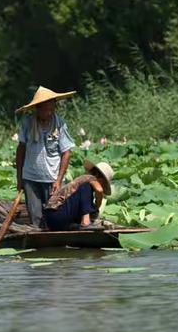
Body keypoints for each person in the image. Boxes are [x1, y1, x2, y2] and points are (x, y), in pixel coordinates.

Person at [15, 86, 76, 227]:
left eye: (52, 109)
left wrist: (59, 180)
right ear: (37, 109)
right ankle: (39, 243)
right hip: (30, 178)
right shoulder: (27, 123)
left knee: (55, 215)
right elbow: (21, 149)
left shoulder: (60, 124)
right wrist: (19, 179)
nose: (49, 113)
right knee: (36, 219)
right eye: (46, 110)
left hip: (52, 178)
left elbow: (66, 152)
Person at [44, 160, 114, 231]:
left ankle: (79, 223)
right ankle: (85, 222)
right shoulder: (89, 178)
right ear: (100, 177)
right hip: (57, 213)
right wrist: (98, 204)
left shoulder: (82, 184)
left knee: (87, 203)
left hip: (53, 220)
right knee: (85, 186)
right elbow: (99, 190)